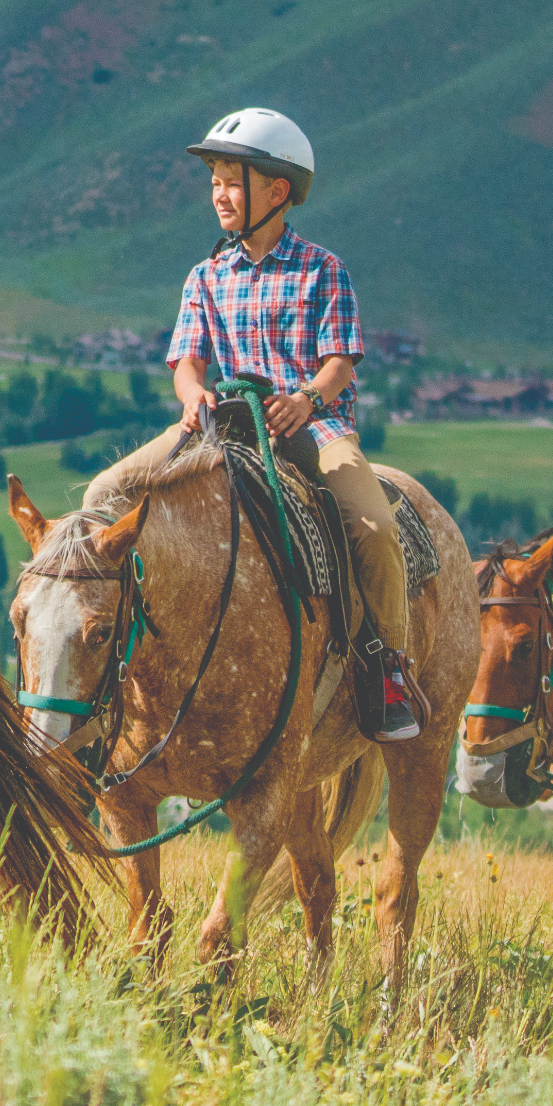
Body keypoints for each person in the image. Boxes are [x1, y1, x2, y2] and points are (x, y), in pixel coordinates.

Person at [145, 107, 423, 743]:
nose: (219, 193)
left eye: (232, 180)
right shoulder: (205, 277)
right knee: (118, 493)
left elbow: (340, 362)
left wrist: (306, 399)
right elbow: (187, 362)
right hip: (224, 428)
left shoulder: (323, 269)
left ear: (277, 191)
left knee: (375, 528)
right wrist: (191, 398)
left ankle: (387, 667)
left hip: (313, 428)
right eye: (214, 179)